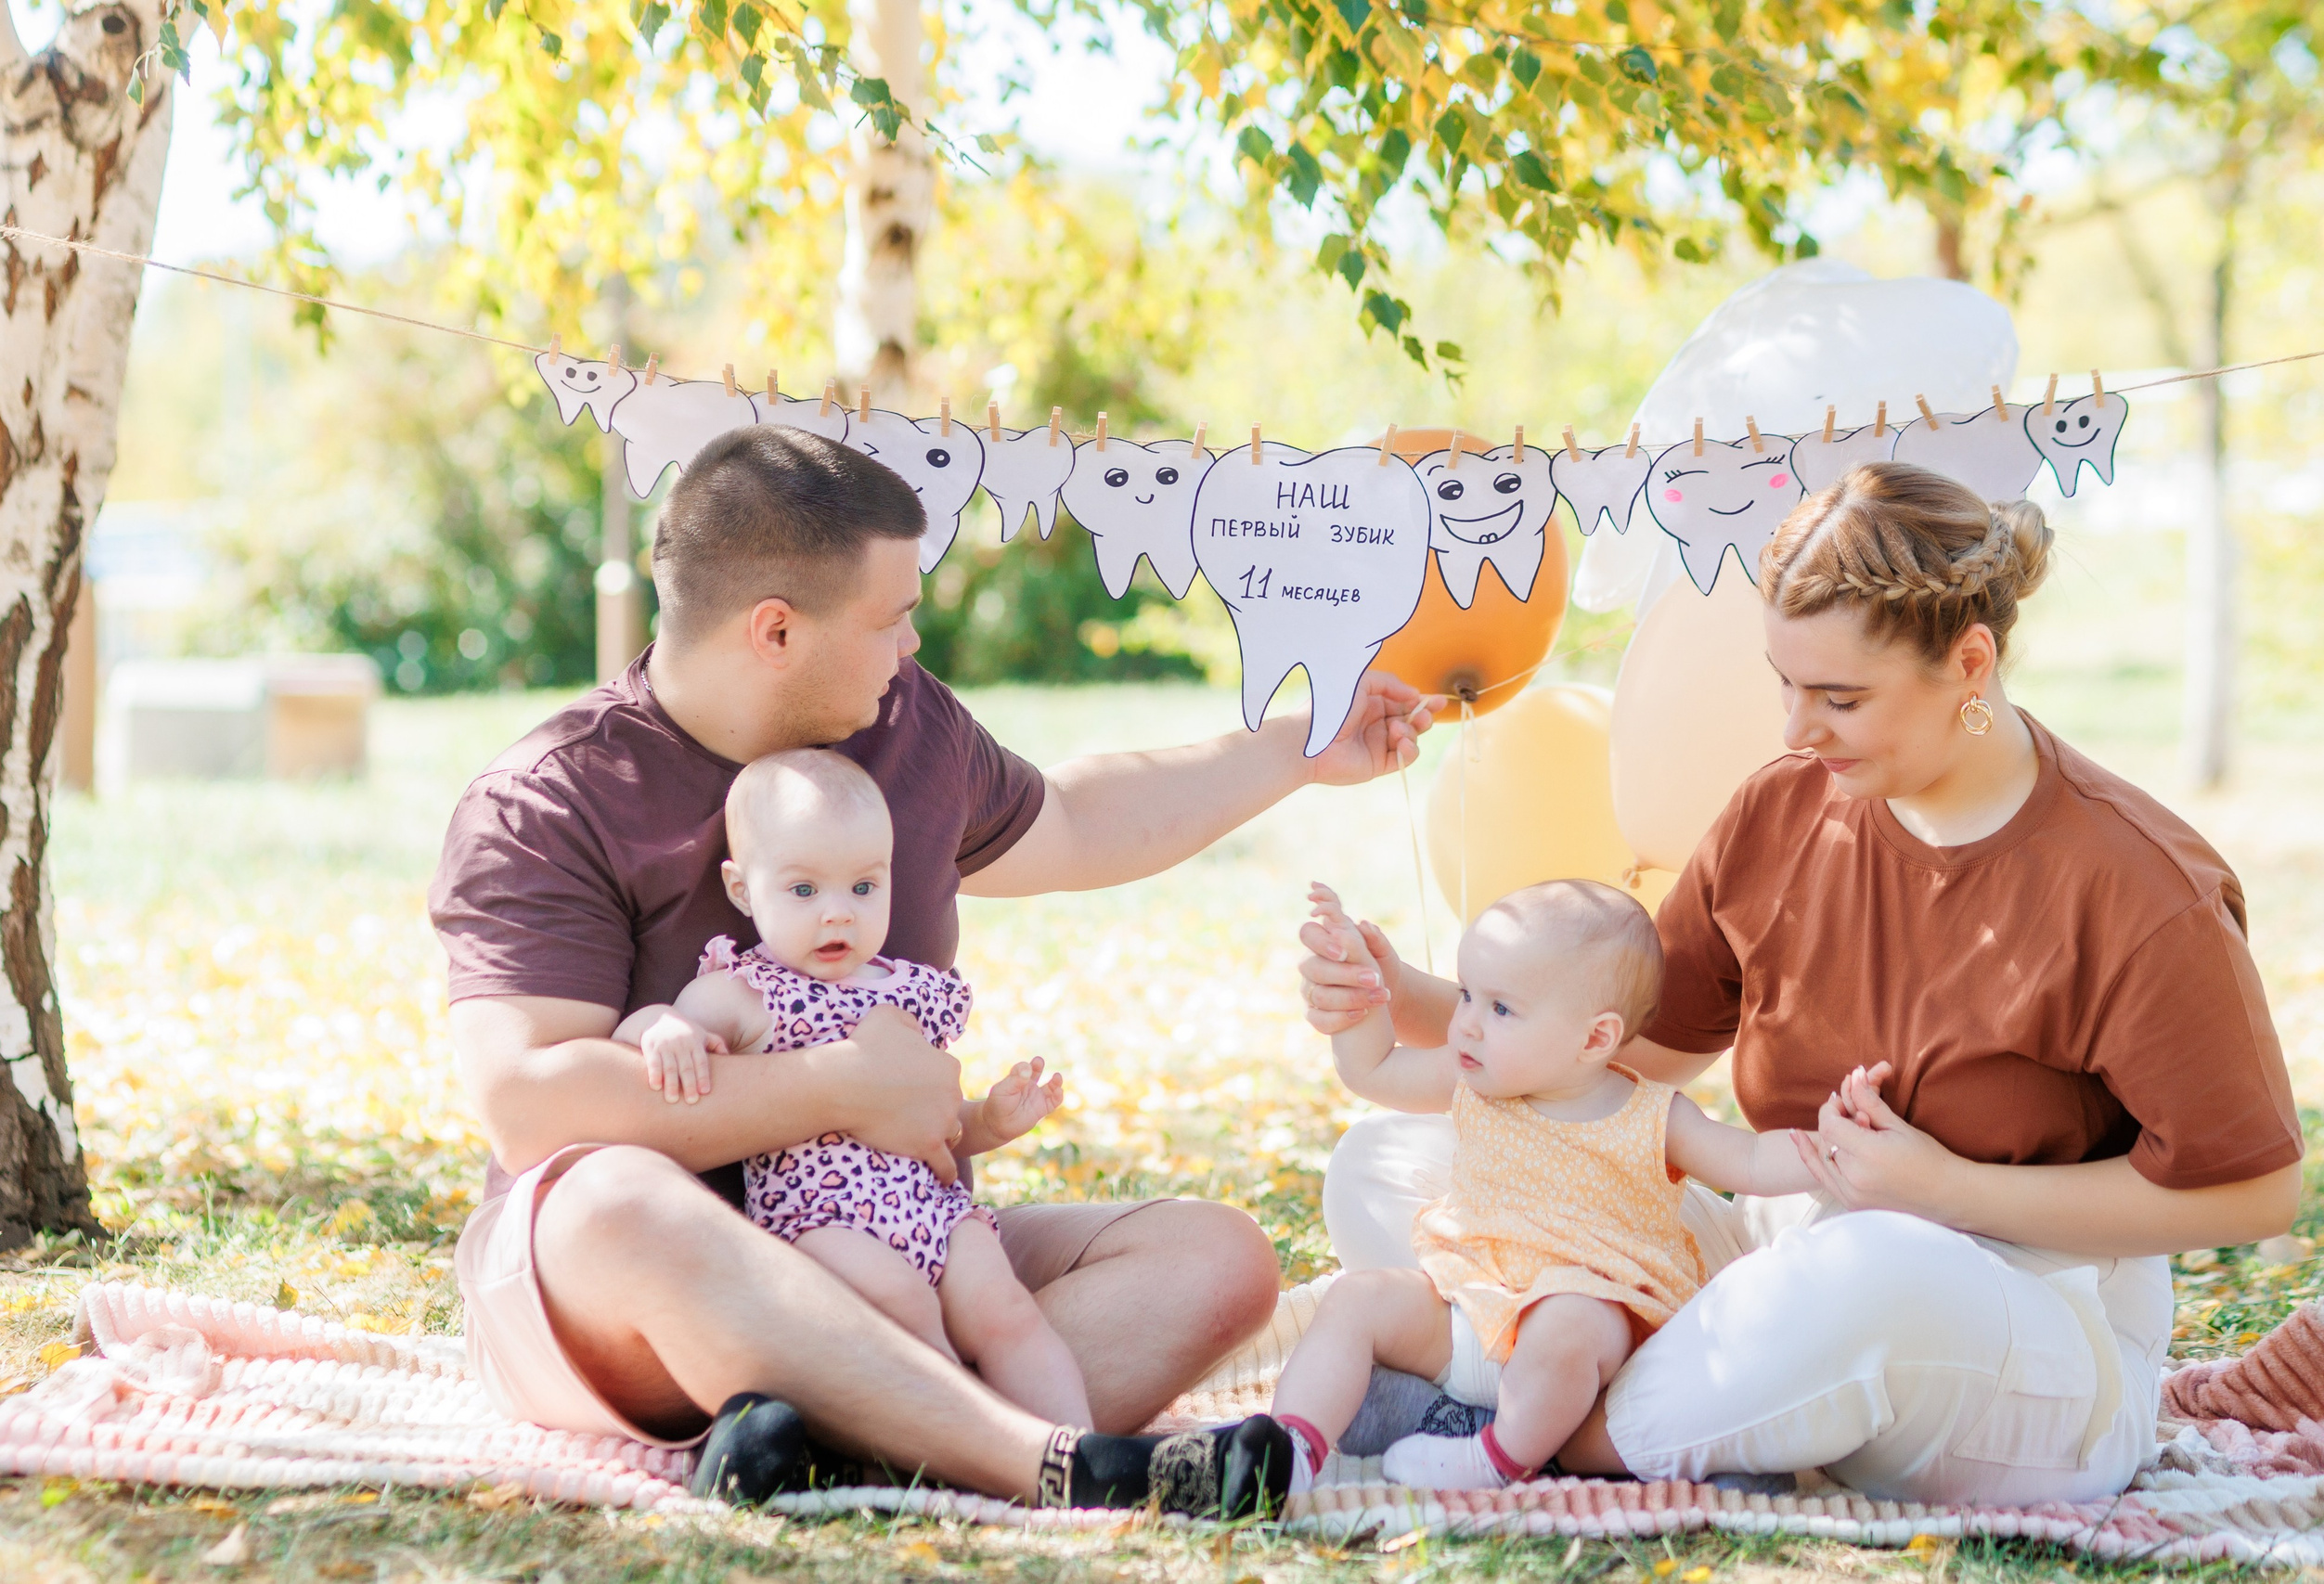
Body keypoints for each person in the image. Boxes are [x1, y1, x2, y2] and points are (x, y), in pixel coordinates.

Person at [433, 424, 1431, 1513]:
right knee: (607, 1200)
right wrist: (841, 1087)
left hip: (888, 1239)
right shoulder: (550, 799)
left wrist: (1300, 746)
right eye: (891, 617)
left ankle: (829, 1442)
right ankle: (1047, 1465)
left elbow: (1080, 819)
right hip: (634, 1291)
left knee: (1218, 1258)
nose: (911, 645)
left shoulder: (901, 724)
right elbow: (531, 1105)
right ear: (775, 631)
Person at [1298, 460, 2302, 1504]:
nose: (1793, 729)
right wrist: (1400, 996)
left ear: (1969, 662)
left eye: (1839, 697)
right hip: (1779, 1264)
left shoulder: (2136, 887)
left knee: (1871, 1275)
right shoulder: (1782, 810)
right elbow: (1622, 1054)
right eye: (1782, 683)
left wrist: (1940, 1190)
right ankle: (1599, 1402)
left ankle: (1535, 1420)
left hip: (2012, 1311)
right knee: (1392, 1156)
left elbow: (2254, 1189)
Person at [1271, 881, 1817, 1494]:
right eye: (1468, 995)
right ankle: (1284, 1447)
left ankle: (1497, 1458)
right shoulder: (1474, 1078)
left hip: (1593, 1337)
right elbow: (1371, 1068)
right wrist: (1358, 986)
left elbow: (1745, 1158)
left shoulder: (1652, 1114)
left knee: (1570, 1319)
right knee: (1355, 1299)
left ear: (1594, 1038)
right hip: (1473, 1307)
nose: (1467, 1025)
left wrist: (1825, 1150)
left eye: (1500, 1009)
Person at [615, 748, 1090, 1426]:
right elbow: (634, 1036)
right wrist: (660, 1029)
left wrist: (992, 1118)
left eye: (863, 888)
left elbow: (937, 1123)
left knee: (1007, 1311)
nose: (838, 915)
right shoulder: (745, 993)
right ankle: (978, 1449)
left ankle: (1081, 1454)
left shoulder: (909, 990)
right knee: (908, 1311)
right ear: (744, 889)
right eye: (804, 891)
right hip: (820, 1221)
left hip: (933, 1209)